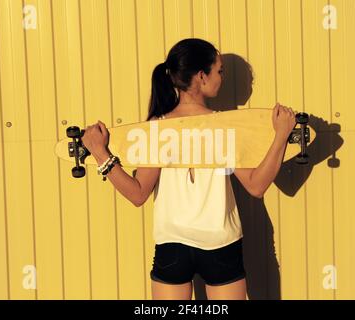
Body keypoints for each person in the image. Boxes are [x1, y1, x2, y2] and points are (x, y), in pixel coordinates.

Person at [81, 38, 296, 300]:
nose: (222, 78)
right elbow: (256, 185)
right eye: (219, 71)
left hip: (173, 247)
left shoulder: (156, 128)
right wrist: (281, 136)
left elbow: (137, 194)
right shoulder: (226, 126)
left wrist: (100, 153)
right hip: (221, 244)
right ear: (202, 76)